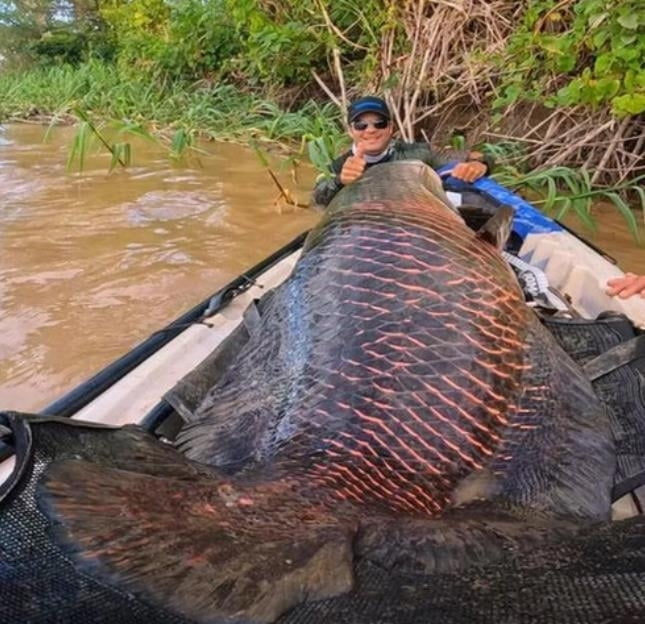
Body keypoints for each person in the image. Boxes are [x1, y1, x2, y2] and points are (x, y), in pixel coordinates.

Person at [312, 95, 491, 207]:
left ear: (390, 128)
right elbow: (317, 198)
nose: (370, 130)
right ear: (351, 131)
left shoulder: (419, 153)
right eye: (361, 125)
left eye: (379, 123)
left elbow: (480, 157)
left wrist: (479, 165)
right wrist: (340, 181)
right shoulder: (339, 166)